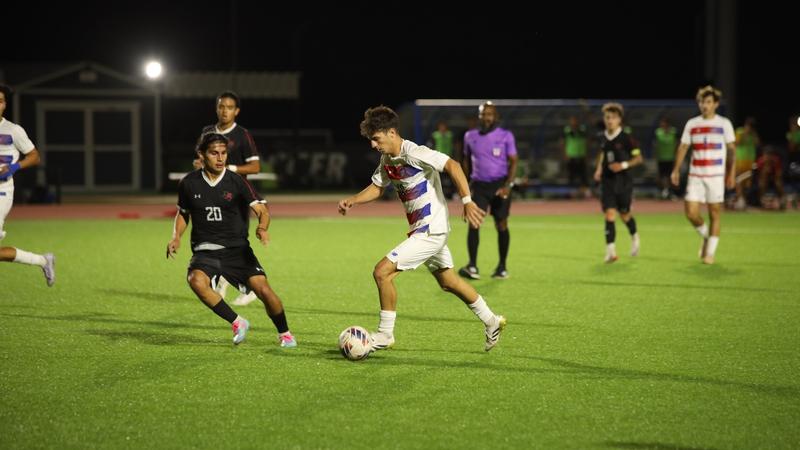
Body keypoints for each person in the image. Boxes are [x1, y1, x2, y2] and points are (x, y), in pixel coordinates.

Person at [337, 106, 506, 352]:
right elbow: (378, 186)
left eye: (376, 138)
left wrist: (467, 201)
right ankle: (492, 321)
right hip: (423, 229)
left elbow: (453, 165)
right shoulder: (388, 159)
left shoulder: (415, 153)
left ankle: (385, 335)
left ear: (391, 133)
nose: (373, 145)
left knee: (382, 272)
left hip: (430, 230)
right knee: (448, 282)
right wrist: (353, 200)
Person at [168, 132, 296, 347]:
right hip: (205, 250)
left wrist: (262, 228)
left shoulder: (236, 181)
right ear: (201, 155)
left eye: (224, 153)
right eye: (214, 153)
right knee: (195, 280)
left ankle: (285, 334)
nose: (220, 158)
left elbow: (262, 210)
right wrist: (176, 237)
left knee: (264, 291)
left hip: (237, 250)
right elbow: (183, 213)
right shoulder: (189, 183)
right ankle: (237, 322)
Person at [194, 91, 262, 306]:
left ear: (237, 111)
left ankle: (249, 286)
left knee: (236, 242)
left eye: (230, 107)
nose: (225, 111)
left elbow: (255, 166)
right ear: (216, 108)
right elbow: (200, 159)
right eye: (221, 106)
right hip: (211, 195)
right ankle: (223, 282)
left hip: (236, 197)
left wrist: (230, 168)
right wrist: (199, 165)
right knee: (214, 239)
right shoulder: (207, 132)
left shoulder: (242, 134)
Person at [670, 85, 736, 265]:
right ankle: (706, 236)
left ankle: (710, 253)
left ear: (716, 104)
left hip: (716, 176)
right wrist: (676, 169)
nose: (704, 105)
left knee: (714, 213)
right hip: (696, 176)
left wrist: (731, 173)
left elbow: (731, 150)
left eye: (708, 102)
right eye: (701, 102)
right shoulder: (692, 124)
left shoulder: (724, 124)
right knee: (691, 213)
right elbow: (683, 147)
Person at [0, 84, 55, 286]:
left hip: (1, 193)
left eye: (0, 101)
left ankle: (43, 261)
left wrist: (14, 167)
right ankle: (43, 260)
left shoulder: (13, 130)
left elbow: (34, 156)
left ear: (5, 105)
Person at [458, 101, 518, 280]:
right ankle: (472, 266)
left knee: (502, 224)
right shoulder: (470, 136)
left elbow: (514, 161)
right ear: (479, 116)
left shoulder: (506, 135)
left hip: (500, 185)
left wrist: (508, 185)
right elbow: (466, 160)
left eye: (490, 114)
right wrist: (467, 183)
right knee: (474, 223)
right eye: (483, 114)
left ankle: (502, 267)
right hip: (479, 186)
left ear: (496, 116)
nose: (486, 118)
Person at [592, 103, 643, 263]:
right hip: (607, 182)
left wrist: (623, 165)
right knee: (610, 214)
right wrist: (598, 169)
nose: (610, 120)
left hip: (624, 182)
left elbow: (638, 158)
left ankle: (634, 237)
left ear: (619, 119)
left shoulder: (627, 138)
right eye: (607, 117)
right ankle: (611, 251)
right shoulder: (602, 137)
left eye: (613, 118)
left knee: (625, 215)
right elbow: (602, 153)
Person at [733, 117, 760, 209]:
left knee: (747, 183)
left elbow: (757, 144)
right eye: (748, 125)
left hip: (750, 162)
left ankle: (744, 200)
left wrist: (753, 135)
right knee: (739, 180)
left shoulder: (753, 134)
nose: (749, 128)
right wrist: (745, 134)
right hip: (740, 161)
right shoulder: (740, 131)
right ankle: (740, 200)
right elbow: (736, 143)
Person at [561, 116, 589, 198]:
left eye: (575, 120)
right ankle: (570, 193)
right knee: (571, 176)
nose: (574, 122)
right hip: (571, 156)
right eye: (572, 121)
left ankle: (585, 193)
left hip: (581, 155)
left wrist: (586, 154)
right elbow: (562, 142)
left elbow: (587, 142)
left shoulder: (582, 130)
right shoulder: (566, 131)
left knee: (583, 176)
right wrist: (565, 154)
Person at [429, 121, 455, 198]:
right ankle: (437, 193)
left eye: (444, 126)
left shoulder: (450, 135)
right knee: (438, 176)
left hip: (448, 158)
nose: (442, 128)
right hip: (438, 158)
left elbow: (454, 146)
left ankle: (450, 193)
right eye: (441, 126)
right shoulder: (435, 135)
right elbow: (431, 146)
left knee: (450, 176)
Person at [653, 117, 678, 200]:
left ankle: (671, 192)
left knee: (671, 176)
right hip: (661, 158)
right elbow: (655, 145)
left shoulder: (674, 132)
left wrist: (677, 155)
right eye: (661, 123)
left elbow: (678, 144)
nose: (662, 125)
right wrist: (655, 156)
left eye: (663, 123)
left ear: (668, 124)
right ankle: (664, 191)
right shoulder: (658, 132)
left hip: (671, 158)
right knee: (662, 176)